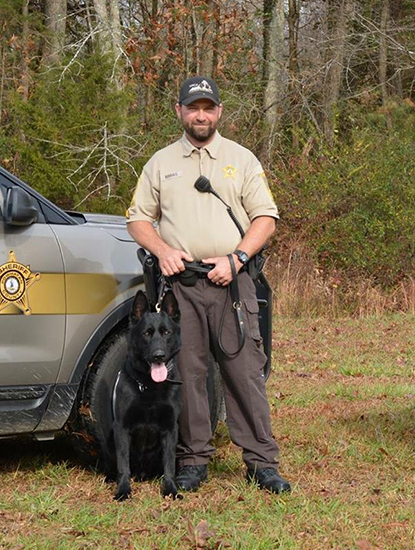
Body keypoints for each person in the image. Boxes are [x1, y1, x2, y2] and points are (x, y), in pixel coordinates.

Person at [124, 76, 291, 494]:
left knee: (245, 373)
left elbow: (266, 218)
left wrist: (236, 259)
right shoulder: (161, 163)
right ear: (179, 111)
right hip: (182, 287)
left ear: (219, 112)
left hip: (233, 286)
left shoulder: (242, 159)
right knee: (187, 375)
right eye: (193, 107)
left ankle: (261, 462)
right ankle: (193, 461)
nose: (201, 114)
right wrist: (162, 250)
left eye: (208, 107)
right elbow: (137, 219)